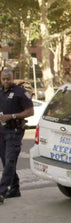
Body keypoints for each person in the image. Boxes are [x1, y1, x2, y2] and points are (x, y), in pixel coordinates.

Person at [0, 70, 34, 205]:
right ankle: (14, 189)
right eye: (3, 79)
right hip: (2, 131)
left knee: (10, 161)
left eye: (8, 79)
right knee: (5, 161)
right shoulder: (1, 91)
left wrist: (12, 116)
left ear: (12, 78)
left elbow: (30, 111)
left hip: (14, 131)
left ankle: (2, 191)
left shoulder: (20, 92)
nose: (6, 81)